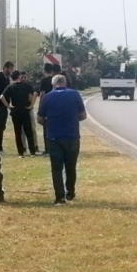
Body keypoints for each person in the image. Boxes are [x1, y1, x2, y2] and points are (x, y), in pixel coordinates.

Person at [37, 74, 87, 205]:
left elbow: (40, 119)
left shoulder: (48, 97)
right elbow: (83, 115)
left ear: (53, 84)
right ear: (65, 83)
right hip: (72, 136)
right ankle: (70, 192)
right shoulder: (75, 94)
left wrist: (50, 125)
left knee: (56, 168)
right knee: (71, 167)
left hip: (54, 137)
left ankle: (59, 196)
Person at [0, 71, 37, 158]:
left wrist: (8, 106)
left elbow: (2, 97)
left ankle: (21, 153)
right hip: (25, 110)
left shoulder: (11, 87)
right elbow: (35, 93)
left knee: (18, 132)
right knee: (29, 131)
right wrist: (31, 105)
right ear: (19, 77)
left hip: (15, 110)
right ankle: (32, 152)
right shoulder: (27, 86)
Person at [0, 61, 15, 153]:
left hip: (5, 105)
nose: (11, 71)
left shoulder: (7, 79)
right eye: (10, 69)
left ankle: (0, 146)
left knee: (2, 127)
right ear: (5, 68)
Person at [19, 72, 39, 154]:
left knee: (32, 128)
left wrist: (31, 105)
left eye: (25, 77)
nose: (23, 79)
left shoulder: (29, 86)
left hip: (28, 109)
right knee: (22, 130)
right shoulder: (17, 87)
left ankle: (35, 145)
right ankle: (23, 146)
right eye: (22, 77)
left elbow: (35, 94)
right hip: (20, 110)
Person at [38, 63, 55, 155]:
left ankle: (47, 147)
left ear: (44, 70)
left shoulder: (44, 80)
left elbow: (42, 94)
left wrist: (41, 105)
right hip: (55, 104)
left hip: (47, 104)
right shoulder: (55, 79)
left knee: (46, 127)